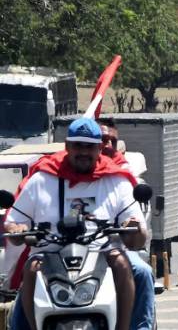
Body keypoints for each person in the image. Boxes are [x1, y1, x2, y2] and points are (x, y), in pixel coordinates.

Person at [5, 118, 145, 330]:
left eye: (89, 146)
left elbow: (136, 229)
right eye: (78, 145)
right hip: (50, 255)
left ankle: (126, 327)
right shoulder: (42, 179)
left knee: (132, 267)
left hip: (102, 254)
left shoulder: (115, 180)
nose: (83, 152)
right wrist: (18, 229)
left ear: (99, 148)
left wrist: (131, 224)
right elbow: (14, 221)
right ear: (67, 146)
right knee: (31, 268)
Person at [99, 120, 156, 330]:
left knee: (142, 271)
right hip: (69, 251)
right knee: (31, 273)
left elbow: (137, 228)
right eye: (102, 140)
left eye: (112, 141)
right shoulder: (62, 177)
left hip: (112, 249)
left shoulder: (122, 179)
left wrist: (131, 225)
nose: (107, 146)